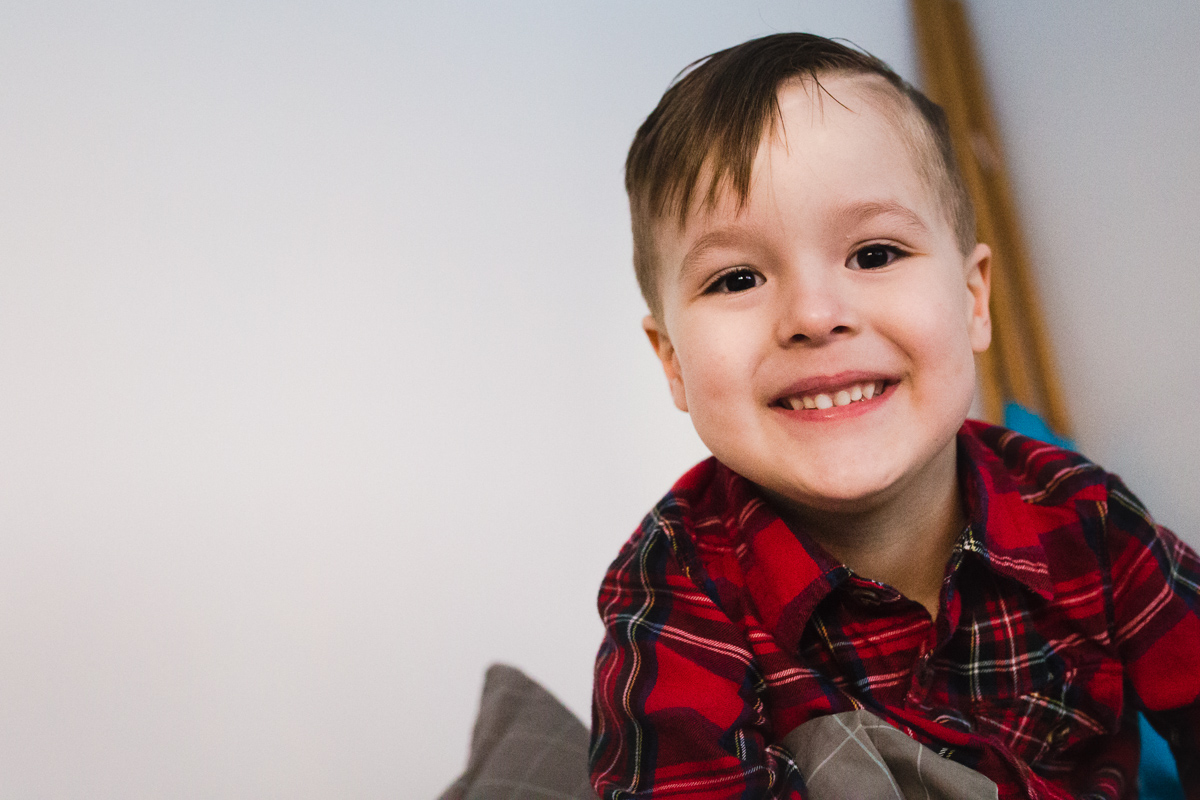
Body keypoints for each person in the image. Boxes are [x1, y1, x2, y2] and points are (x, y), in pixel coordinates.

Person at [589, 33, 1198, 799]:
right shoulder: (673, 594)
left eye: (873, 254)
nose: (813, 314)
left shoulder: (1085, 515)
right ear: (672, 359)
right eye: (738, 277)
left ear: (973, 301)